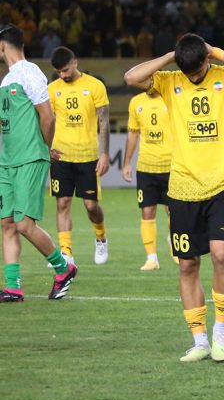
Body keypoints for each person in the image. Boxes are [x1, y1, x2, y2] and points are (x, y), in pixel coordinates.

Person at [124, 34, 224, 362]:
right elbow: (131, 77)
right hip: (183, 187)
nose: (194, 78)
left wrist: (215, 51)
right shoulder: (171, 80)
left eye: (197, 71)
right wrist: (172, 57)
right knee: (187, 264)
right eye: (188, 72)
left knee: (221, 254)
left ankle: (221, 333)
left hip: (223, 183)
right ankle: (199, 340)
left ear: (206, 60)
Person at [0, 24, 78, 302]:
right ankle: (12, 287)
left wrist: (46, 146)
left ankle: (63, 268)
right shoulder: (7, 80)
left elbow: (47, 116)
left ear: (2, 47)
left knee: (23, 224)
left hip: (30, 157)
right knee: (7, 223)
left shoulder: (29, 72)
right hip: (7, 161)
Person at [47, 46, 110, 265]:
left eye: (65, 70)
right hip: (61, 156)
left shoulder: (95, 86)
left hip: (88, 156)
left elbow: (103, 121)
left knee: (90, 206)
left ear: (75, 62)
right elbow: (47, 121)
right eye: (58, 72)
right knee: (62, 203)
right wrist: (46, 147)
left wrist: (104, 154)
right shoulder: (52, 89)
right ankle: (66, 253)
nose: (62, 75)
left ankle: (101, 238)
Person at [121, 89, 172, 270]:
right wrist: (127, 163)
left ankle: (174, 242)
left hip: (172, 166)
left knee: (172, 211)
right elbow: (133, 134)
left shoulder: (171, 97)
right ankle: (152, 258)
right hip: (146, 167)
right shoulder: (136, 102)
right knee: (147, 211)